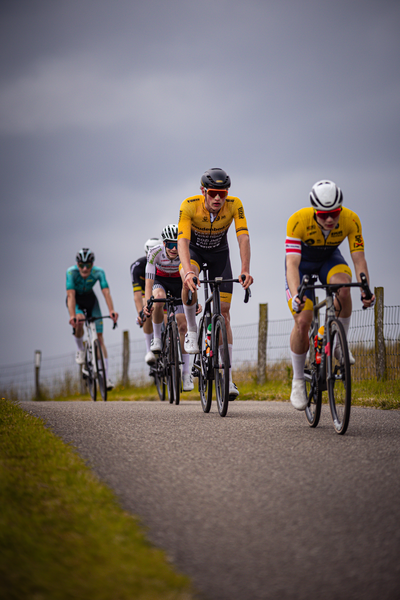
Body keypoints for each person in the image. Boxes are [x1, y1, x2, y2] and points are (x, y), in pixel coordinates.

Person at [285, 180, 375, 410]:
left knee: (344, 289)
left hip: (329, 260)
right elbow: (292, 264)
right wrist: (296, 294)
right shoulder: (297, 221)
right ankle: (297, 381)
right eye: (323, 215)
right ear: (315, 210)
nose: (329, 220)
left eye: (334, 213)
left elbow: (358, 259)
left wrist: (366, 289)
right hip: (302, 266)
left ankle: (338, 344)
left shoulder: (351, 219)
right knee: (303, 321)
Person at [177, 167, 253, 399]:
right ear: (203, 191)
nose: (218, 198)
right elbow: (182, 241)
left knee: (225, 314)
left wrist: (245, 269)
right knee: (187, 282)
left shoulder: (235, 204)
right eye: (213, 193)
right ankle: (192, 329)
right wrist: (189, 272)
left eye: (223, 193)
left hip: (220, 255)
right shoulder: (189, 205)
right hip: (195, 253)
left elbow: (243, 236)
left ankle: (227, 377)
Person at [143, 224, 195, 392]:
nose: (173, 249)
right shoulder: (155, 252)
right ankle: (157, 338)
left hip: (179, 282)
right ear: (163, 244)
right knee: (157, 299)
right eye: (170, 244)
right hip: (161, 281)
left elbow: (191, 278)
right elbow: (149, 280)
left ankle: (186, 374)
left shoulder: (184, 250)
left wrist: (195, 301)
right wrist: (147, 302)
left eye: (176, 244)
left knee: (183, 325)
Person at [66, 248, 119, 390]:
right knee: (80, 320)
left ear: (92, 264)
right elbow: (70, 295)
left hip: (91, 300)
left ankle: (106, 378)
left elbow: (106, 292)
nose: (84, 268)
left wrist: (111, 310)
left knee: (100, 339)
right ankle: (80, 349)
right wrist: (73, 315)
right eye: (81, 265)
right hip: (76, 301)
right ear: (77, 264)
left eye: (88, 265)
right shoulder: (71, 273)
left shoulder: (98, 272)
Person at [130, 238, 161, 365]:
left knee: (165, 316)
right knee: (147, 309)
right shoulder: (137, 267)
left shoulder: (164, 262)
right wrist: (140, 313)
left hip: (159, 290)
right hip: (145, 292)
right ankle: (149, 350)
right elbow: (137, 295)